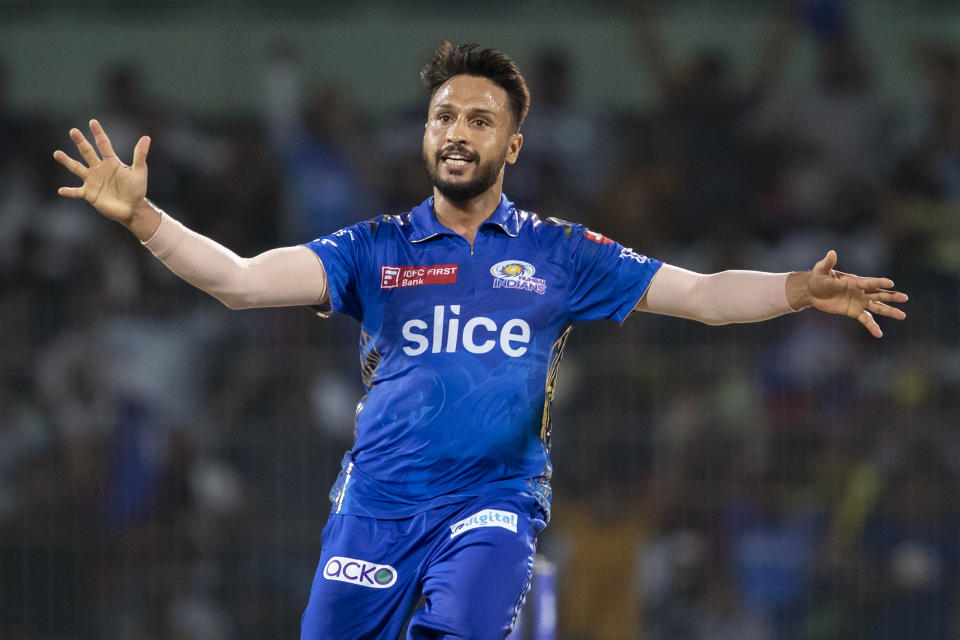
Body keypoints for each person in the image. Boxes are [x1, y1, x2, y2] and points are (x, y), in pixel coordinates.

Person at [53, 42, 907, 640]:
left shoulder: (560, 253)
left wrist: (798, 288)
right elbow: (237, 281)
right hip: (375, 511)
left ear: (512, 143)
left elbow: (704, 294)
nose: (456, 131)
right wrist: (144, 219)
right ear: (426, 133)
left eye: (479, 120)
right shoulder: (374, 248)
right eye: (442, 117)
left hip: (492, 502)